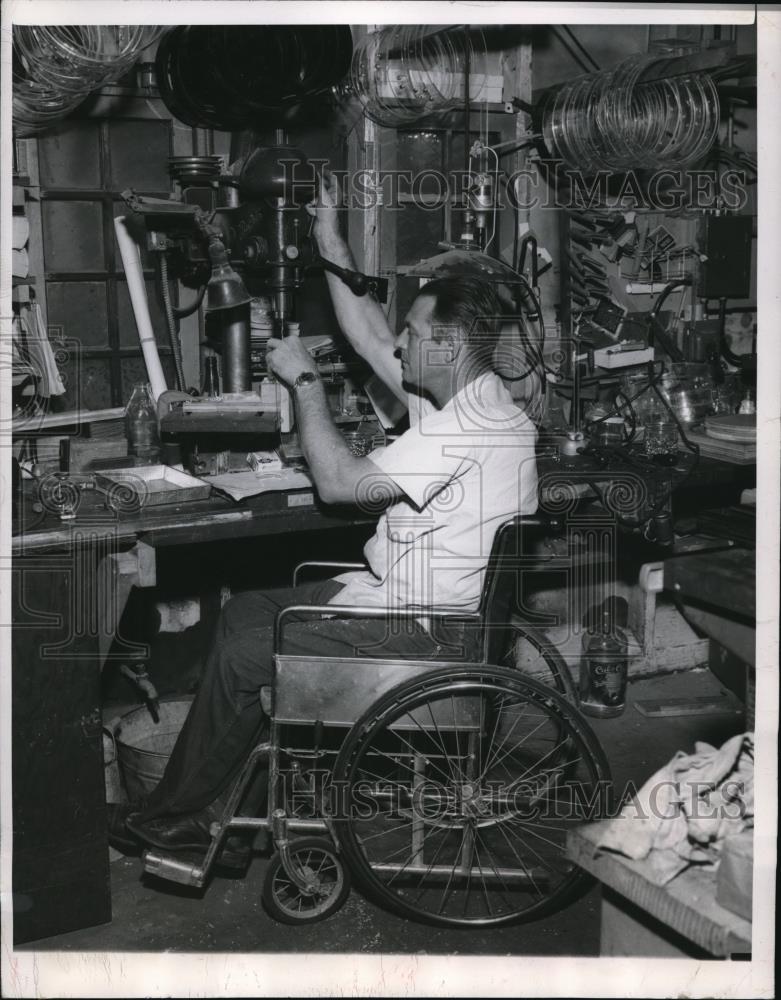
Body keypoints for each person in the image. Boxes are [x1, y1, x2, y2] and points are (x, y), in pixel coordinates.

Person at [115, 175, 539, 863]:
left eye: (414, 334)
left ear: (449, 346)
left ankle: (187, 816)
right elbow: (371, 337)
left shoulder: (468, 429)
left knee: (248, 654)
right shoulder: (470, 395)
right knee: (248, 612)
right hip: (402, 600)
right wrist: (329, 239)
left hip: (424, 635)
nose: (399, 346)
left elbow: (341, 487)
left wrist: (304, 382)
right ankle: (223, 805)